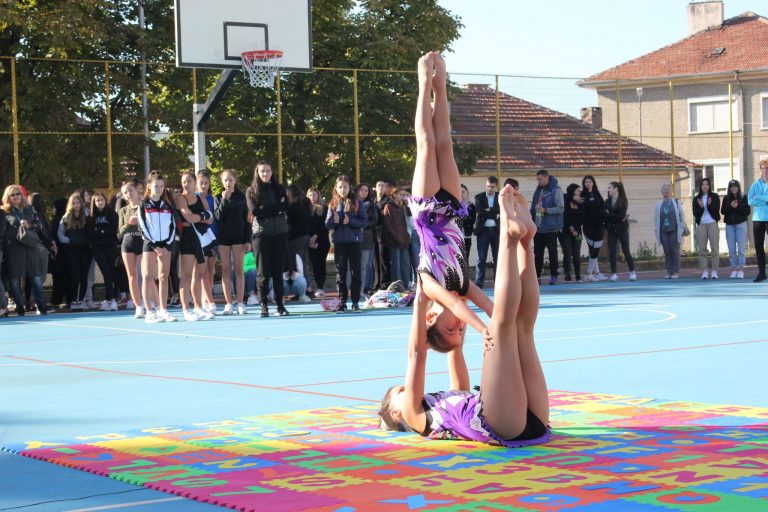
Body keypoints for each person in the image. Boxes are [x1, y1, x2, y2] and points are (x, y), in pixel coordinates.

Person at [379, 181, 551, 449]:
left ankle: (525, 243)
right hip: (501, 423)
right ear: (395, 413)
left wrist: (451, 331)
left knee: (522, 329)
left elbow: (455, 354)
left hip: (525, 420)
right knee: (506, 328)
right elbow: (416, 354)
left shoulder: (446, 400)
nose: (408, 388)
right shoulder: (414, 416)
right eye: (400, 391)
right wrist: (419, 305)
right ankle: (509, 238)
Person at [246, 161, 290, 317]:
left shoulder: (279, 189)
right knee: (262, 272)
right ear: (257, 172)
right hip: (261, 234)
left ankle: (280, 305)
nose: (265, 174)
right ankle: (263, 304)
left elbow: (285, 207)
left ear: (272, 172)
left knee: (278, 272)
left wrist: (266, 209)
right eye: (262, 171)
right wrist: (274, 209)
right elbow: (255, 211)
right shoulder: (251, 191)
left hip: (280, 233)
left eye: (268, 171)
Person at [2, 185, 53, 316]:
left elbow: (39, 226)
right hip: (13, 249)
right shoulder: (4, 212)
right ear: (8, 197)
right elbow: (3, 231)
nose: (15, 197)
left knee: (35, 277)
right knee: (14, 279)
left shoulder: (29, 209)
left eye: (17, 194)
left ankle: (40, 304)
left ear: (22, 195)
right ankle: (20, 306)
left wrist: (29, 225)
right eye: (12, 195)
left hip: (30, 247)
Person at [137, 172, 177, 323]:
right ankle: (149, 312)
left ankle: (163, 310)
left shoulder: (168, 206)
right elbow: (143, 227)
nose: (159, 189)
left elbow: (173, 227)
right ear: (149, 186)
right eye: (156, 186)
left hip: (165, 246)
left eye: (161, 186)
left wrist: (167, 245)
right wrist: (154, 246)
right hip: (150, 245)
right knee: (148, 277)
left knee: (163, 277)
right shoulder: (144, 204)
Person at [177, 171, 215, 321]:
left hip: (202, 238)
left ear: (194, 182)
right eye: (184, 182)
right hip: (187, 238)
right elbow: (188, 217)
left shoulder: (200, 197)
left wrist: (201, 217)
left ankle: (198, 307)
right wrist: (202, 217)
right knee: (186, 275)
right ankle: (186, 310)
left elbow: (210, 218)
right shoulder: (180, 199)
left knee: (199, 275)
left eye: (189, 181)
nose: (186, 184)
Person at [325, 174, 366, 313]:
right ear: (336, 188)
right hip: (340, 242)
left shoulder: (357, 202)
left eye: (345, 187)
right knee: (340, 273)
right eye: (340, 187)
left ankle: (355, 302)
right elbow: (327, 224)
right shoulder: (332, 203)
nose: (343, 190)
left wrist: (351, 222)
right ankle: (342, 302)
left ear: (350, 188)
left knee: (356, 272)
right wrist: (335, 222)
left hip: (354, 242)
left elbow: (364, 221)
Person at [215, 169, 251, 315]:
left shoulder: (243, 197)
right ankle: (228, 303)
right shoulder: (219, 196)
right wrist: (225, 199)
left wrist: (248, 239)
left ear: (235, 181)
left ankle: (241, 303)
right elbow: (218, 216)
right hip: (224, 238)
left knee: (238, 269)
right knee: (225, 270)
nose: (228, 183)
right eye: (225, 180)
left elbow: (248, 220)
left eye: (230, 180)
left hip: (239, 238)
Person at [58, 192, 91, 310]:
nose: (76, 205)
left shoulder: (87, 215)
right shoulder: (66, 217)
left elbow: (91, 231)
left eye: (78, 202)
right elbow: (60, 234)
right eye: (73, 203)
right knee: (75, 277)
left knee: (84, 277)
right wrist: (69, 241)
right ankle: (73, 300)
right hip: (72, 251)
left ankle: (80, 300)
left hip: (85, 251)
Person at [530, 169, 563, 285]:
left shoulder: (556, 190)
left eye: (540, 179)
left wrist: (546, 210)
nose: (538, 182)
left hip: (550, 228)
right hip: (538, 228)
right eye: (537, 179)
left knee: (552, 253)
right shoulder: (538, 190)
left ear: (547, 177)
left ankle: (554, 276)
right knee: (537, 253)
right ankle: (536, 277)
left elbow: (560, 208)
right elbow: (533, 206)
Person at [88, 191, 119, 311]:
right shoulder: (91, 216)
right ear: (94, 203)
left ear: (105, 201)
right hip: (98, 248)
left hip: (110, 246)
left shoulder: (112, 214)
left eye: (102, 200)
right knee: (106, 272)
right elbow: (91, 232)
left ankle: (111, 299)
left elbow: (112, 230)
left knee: (111, 272)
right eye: (97, 200)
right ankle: (110, 299)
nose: (100, 202)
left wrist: (100, 230)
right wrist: (102, 231)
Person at [118, 182, 145, 318]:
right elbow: (120, 231)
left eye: (130, 191)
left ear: (136, 191)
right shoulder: (123, 210)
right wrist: (129, 223)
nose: (128, 194)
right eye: (125, 192)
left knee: (145, 275)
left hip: (142, 243)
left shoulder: (143, 206)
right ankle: (138, 306)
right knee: (132, 276)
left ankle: (149, 302)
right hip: (128, 244)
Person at [603, 181, 636, 282]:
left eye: (610, 188)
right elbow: (605, 215)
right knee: (612, 251)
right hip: (611, 229)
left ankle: (632, 272)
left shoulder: (623, 201)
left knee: (626, 250)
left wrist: (612, 216)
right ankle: (613, 274)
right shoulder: (607, 201)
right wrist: (614, 217)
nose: (608, 190)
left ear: (616, 189)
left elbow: (621, 216)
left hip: (621, 229)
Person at [654, 183, 687, 279]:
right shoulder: (658, 204)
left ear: (671, 190)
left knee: (675, 250)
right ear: (661, 191)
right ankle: (669, 271)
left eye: (668, 188)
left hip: (675, 230)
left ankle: (675, 271)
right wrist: (656, 230)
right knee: (667, 251)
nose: (666, 190)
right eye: (664, 188)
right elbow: (656, 218)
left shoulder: (676, 202)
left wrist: (681, 226)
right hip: (663, 231)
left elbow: (682, 215)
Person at [196, 170, 218, 315]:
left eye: (206, 183)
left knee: (211, 271)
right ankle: (208, 300)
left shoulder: (213, 199)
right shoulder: (194, 198)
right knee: (202, 271)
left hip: (213, 236)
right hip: (200, 237)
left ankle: (207, 296)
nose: (204, 185)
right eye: (201, 183)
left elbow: (216, 218)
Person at [381, 186, 411, 288]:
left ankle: (406, 284)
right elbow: (388, 226)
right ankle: (397, 286)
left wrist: (406, 237)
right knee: (396, 265)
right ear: (394, 195)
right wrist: (398, 238)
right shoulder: (388, 207)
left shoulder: (401, 207)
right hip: (393, 241)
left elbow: (405, 224)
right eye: (400, 195)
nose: (402, 197)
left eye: (404, 195)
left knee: (405, 264)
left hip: (403, 240)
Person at [692, 177, 721, 280]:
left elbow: (716, 210)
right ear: (700, 186)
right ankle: (704, 271)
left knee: (715, 249)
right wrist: (702, 206)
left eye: (707, 184)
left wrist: (708, 205)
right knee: (702, 250)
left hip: (712, 224)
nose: (705, 186)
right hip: (701, 225)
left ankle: (714, 271)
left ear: (709, 186)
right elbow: (695, 213)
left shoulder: (715, 196)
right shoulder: (696, 199)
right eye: (703, 184)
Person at [473, 176, 499, 288]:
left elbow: (501, 210)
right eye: (488, 186)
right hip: (482, 231)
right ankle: (479, 282)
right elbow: (480, 211)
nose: (490, 189)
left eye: (492, 187)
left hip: (496, 231)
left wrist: (488, 210)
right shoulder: (479, 197)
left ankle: (498, 281)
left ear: (496, 186)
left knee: (497, 257)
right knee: (481, 257)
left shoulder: (500, 197)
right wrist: (495, 213)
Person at [721, 179, 750, 279]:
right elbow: (723, 211)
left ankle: (741, 269)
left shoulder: (743, 197)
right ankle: (733, 269)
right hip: (729, 226)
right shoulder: (726, 198)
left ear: (738, 187)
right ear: (729, 188)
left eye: (735, 186)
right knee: (731, 249)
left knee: (741, 248)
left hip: (741, 225)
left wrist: (737, 207)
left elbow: (747, 211)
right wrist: (731, 206)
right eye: (731, 187)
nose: (733, 188)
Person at [581, 175, 607, 281]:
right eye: (586, 182)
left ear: (593, 183)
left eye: (590, 182)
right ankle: (589, 274)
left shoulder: (597, 194)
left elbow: (603, 206)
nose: (588, 184)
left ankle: (596, 273)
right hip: (588, 226)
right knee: (593, 249)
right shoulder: (582, 195)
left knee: (596, 249)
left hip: (599, 225)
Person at [286, 183, 312, 286]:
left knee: (298, 264)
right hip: (305, 235)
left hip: (295, 237)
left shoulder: (291, 205)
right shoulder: (306, 203)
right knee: (304, 263)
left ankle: (304, 287)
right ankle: (306, 287)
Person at [356, 183, 379, 297]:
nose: (364, 192)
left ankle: (367, 287)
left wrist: (363, 225)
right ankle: (358, 287)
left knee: (367, 264)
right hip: (355, 236)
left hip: (368, 237)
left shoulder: (371, 205)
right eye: (362, 190)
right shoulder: (353, 203)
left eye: (366, 190)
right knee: (358, 264)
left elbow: (375, 220)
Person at [306, 187, 329, 298]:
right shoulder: (306, 209)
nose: (312, 197)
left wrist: (316, 237)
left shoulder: (324, 208)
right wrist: (310, 239)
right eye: (310, 195)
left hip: (322, 240)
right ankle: (316, 285)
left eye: (314, 195)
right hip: (310, 240)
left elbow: (324, 225)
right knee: (314, 264)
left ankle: (320, 286)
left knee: (321, 263)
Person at [748, 160, 768, 282]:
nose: (765, 170)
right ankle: (762, 273)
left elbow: (755, 199)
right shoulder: (755, 185)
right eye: (763, 168)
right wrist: (765, 200)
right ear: (760, 170)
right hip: (758, 219)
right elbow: (750, 201)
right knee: (758, 246)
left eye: (767, 168)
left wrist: (759, 197)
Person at [561, 183, 584, 282]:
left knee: (576, 254)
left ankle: (578, 275)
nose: (580, 192)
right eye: (578, 190)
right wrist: (571, 229)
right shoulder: (565, 198)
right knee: (568, 253)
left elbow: (582, 217)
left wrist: (577, 230)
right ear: (573, 191)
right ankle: (567, 275)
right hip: (565, 231)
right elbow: (565, 216)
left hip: (577, 231)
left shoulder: (580, 202)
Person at [374, 180, 392, 289]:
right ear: (375, 188)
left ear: (385, 189)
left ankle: (385, 283)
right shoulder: (374, 201)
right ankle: (377, 283)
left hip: (384, 233)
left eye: (383, 186)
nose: (381, 188)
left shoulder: (388, 201)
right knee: (375, 260)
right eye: (379, 185)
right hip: (374, 233)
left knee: (384, 259)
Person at [459, 184, 477, 261]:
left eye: (463, 192)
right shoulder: (454, 205)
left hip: (466, 235)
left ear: (467, 193)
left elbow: (472, 220)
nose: (461, 194)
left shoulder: (472, 206)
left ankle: (466, 272)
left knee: (466, 257)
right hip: (457, 236)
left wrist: (465, 218)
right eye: (459, 192)